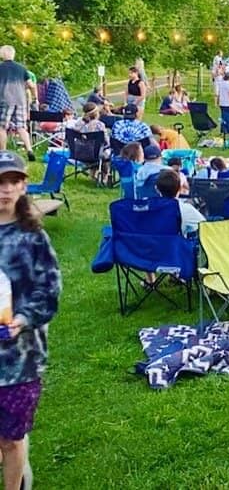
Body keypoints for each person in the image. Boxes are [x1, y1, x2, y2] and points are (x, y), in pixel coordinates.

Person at [0, 151, 61, 489]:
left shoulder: (33, 237)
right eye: (0, 182)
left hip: (19, 359)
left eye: (14, 181)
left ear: (23, 186)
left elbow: (49, 290)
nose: (6, 189)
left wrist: (23, 319)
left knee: (11, 439)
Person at [0, 46, 36, 160]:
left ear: (2, 55)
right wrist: (35, 97)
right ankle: (29, 150)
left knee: (2, 127)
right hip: (21, 100)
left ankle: (3, 153)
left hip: (5, 100)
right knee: (21, 127)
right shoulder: (22, 68)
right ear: (13, 55)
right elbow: (31, 85)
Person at [155, 169, 205, 238]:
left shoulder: (145, 206)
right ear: (180, 189)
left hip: (146, 244)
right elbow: (204, 226)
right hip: (174, 244)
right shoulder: (186, 209)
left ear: (156, 189)